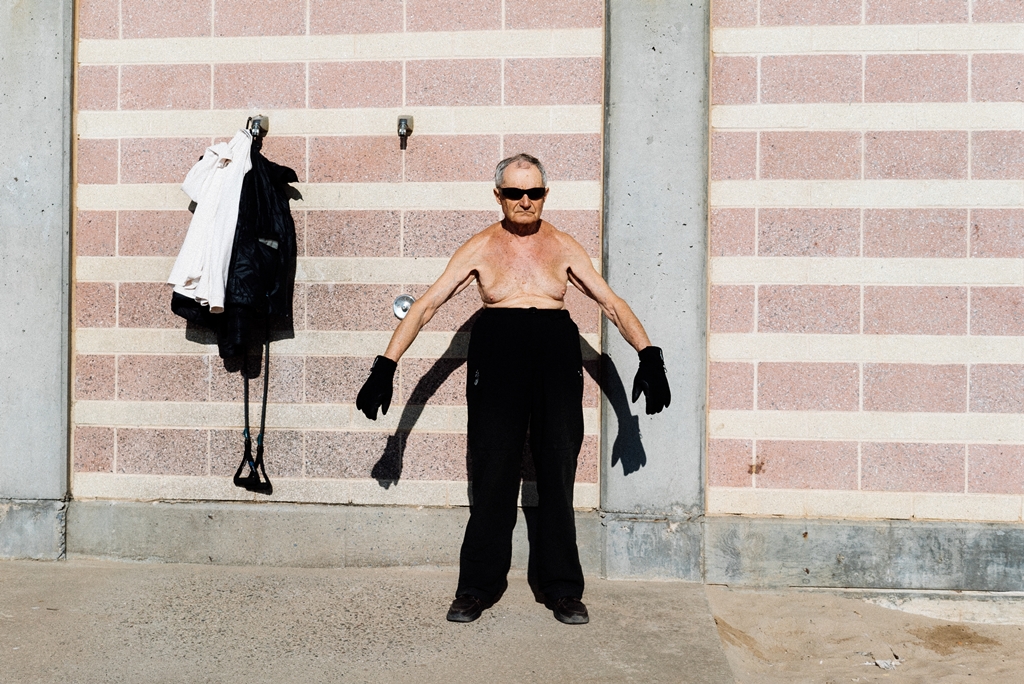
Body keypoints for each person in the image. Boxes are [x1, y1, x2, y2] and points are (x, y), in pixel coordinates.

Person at [356, 153, 670, 625]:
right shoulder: (481, 246)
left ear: (545, 194)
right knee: (493, 470)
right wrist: (385, 366)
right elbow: (426, 305)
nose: (525, 201)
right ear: (498, 196)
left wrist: (649, 356)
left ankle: (562, 588)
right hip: (498, 353)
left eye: (534, 192)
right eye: (514, 192)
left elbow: (610, 302)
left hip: (554, 351)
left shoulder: (563, 245)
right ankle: (477, 586)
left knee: (558, 468)